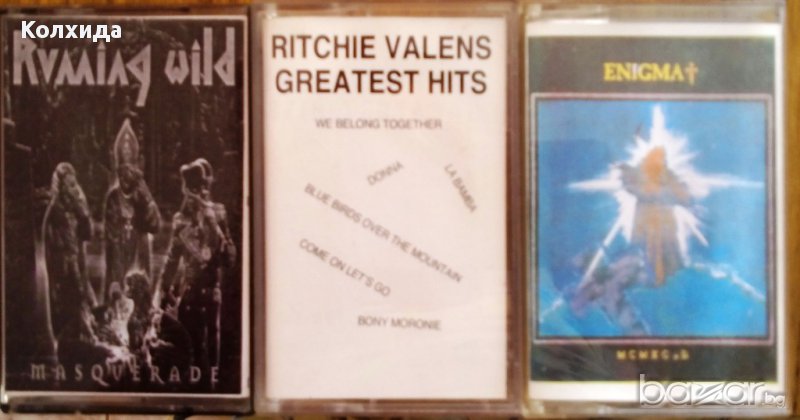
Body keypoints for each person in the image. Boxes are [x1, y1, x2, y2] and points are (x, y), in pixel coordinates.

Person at [160, 158, 235, 380]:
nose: (192, 194)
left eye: (197, 188)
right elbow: (172, 258)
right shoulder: (181, 220)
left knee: (212, 350)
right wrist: (165, 289)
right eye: (190, 189)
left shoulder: (218, 213)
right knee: (189, 349)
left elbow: (230, 258)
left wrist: (213, 225)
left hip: (211, 292)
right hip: (189, 294)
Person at [103, 119, 161, 303]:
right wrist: (115, 278)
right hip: (119, 258)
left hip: (139, 253)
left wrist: (145, 198)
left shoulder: (141, 193)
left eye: (129, 173)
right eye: (122, 173)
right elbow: (112, 239)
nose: (125, 178)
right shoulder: (113, 198)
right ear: (118, 172)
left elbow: (155, 225)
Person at [43, 162, 94, 338]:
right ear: (60, 185)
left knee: (80, 292)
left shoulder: (77, 205)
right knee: (67, 295)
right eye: (68, 184)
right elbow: (47, 235)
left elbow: (87, 233)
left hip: (76, 255)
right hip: (61, 259)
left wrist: (82, 209)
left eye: (73, 184)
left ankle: (82, 330)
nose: (71, 188)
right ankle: (67, 334)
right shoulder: (54, 207)